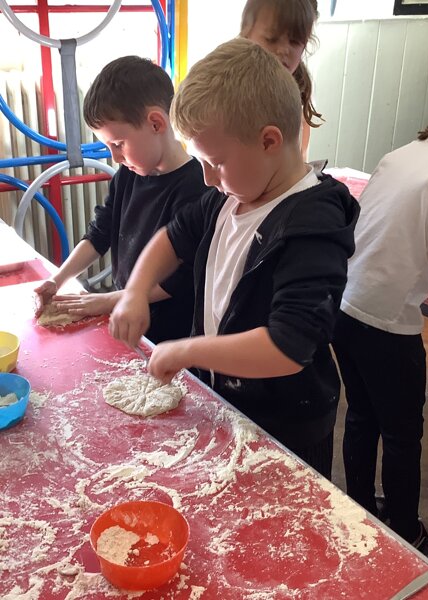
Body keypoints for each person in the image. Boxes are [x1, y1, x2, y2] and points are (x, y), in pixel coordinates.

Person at [109, 38, 359, 479]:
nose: (206, 177)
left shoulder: (313, 223)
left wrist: (187, 350)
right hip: (226, 400)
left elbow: (287, 346)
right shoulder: (229, 197)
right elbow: (173, 237)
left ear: (269, 141)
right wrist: (134, 292)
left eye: (216, 161)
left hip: (288, 426)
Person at [332, 124, 428, 560]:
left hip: (344, 300)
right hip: (384, 320)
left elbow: (391, 234)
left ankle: (358, 508)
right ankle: (406, 534)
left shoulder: (418, 148)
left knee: (363, 415)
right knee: (403, 435)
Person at [34, 56, 208, 343]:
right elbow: (98, 235)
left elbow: (180, 280)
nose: (114, 157)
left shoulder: (197, 188)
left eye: (118, 144)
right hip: (126, 313)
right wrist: (58, 279)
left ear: (156, 123)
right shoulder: (127, 176)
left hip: (168, 333)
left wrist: (107, 301)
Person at [240, 0, 322, 159]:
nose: (283, 50)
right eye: (271, 39)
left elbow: (300, 157)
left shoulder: (299, 92)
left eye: (295, 42)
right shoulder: (229, 87)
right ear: (246, 34)